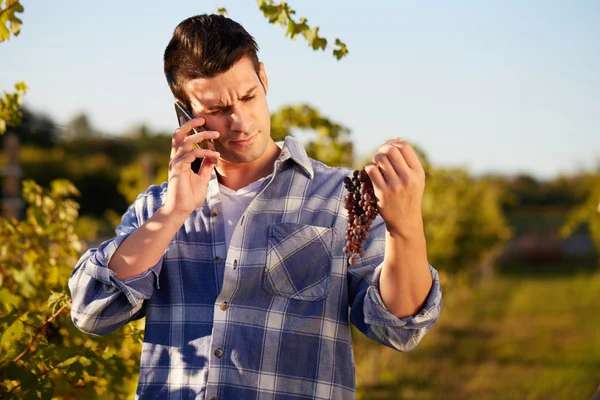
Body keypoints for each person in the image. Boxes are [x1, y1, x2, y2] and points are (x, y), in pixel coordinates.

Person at [68, 14, 442, 400]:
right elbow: (92, 312)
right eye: (216, 109)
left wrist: (406, 228)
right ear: (184, 112)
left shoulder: (339, 197)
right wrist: (174, 212)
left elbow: (400, 329)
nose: (240, 122)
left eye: (248, 96)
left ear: (264, 78)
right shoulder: (156, 208)